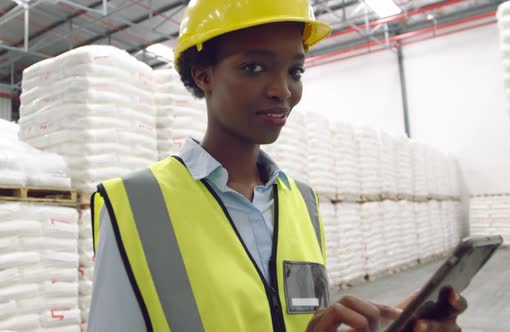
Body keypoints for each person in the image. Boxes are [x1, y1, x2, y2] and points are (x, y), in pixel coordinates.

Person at [87, 0, 467, 331]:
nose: (282, 90)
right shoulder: (137, 204)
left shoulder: (301, 201)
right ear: (203, 76)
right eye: (254, 67)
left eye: (295, 71)